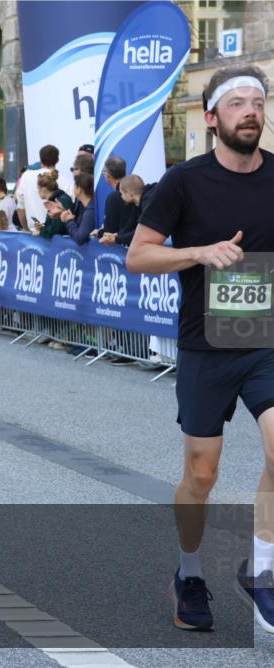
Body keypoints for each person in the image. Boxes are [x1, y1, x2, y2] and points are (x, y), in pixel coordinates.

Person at [126, 65, 274, 633]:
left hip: (264, 340)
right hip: (207, 343)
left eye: (256, 102)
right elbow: (138, 256)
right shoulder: (184, 182)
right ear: (212, 118)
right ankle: (189, 571)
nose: (249, 112)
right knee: (201, 473)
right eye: (236, 103)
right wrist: (199, 252)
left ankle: (261, 569)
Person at [103, 175, 157, 247]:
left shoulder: (147, 204)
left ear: (130, 193)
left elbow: (141, 233)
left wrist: (116, 239)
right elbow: (130, 225)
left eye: (122, 193)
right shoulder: (136, 204)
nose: (121, 197)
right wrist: (116, 235)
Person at [17, 145, 58, 233]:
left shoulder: (26, 176)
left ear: (40, 160)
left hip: (34, 233)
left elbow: (20, 207)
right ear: (57, 160)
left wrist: (26, 229)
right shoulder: (67, 182)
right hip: (57, 237)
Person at [59, 172, 95, 245]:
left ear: (79, 190)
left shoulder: (91, 210)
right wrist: (66, 215)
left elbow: (80, 238)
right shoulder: (84, 206)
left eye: (74, 186)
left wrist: (69, 221)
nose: (73, 188)